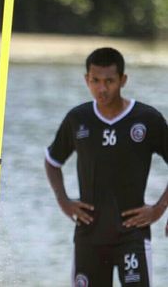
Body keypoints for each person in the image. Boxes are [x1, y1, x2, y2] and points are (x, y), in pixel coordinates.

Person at [44, 47, 168, 287]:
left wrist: (159, 208)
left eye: (109, 81)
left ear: (123, 80)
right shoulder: (78, 118)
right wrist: (64, 201)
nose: (102, 88)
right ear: (86, 80)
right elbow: (52, 160)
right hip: (89, 235)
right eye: (95, 81)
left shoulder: (147, 119)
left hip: (133, 234)